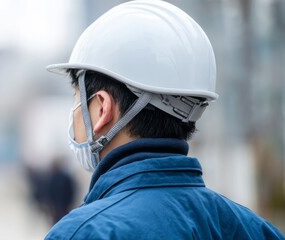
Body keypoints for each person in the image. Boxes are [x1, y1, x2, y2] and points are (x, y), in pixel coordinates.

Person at [44, 1, 285, 239]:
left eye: (77, 100)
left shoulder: (81, 233)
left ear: (102, 109)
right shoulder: (257, 230)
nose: (74, 113)